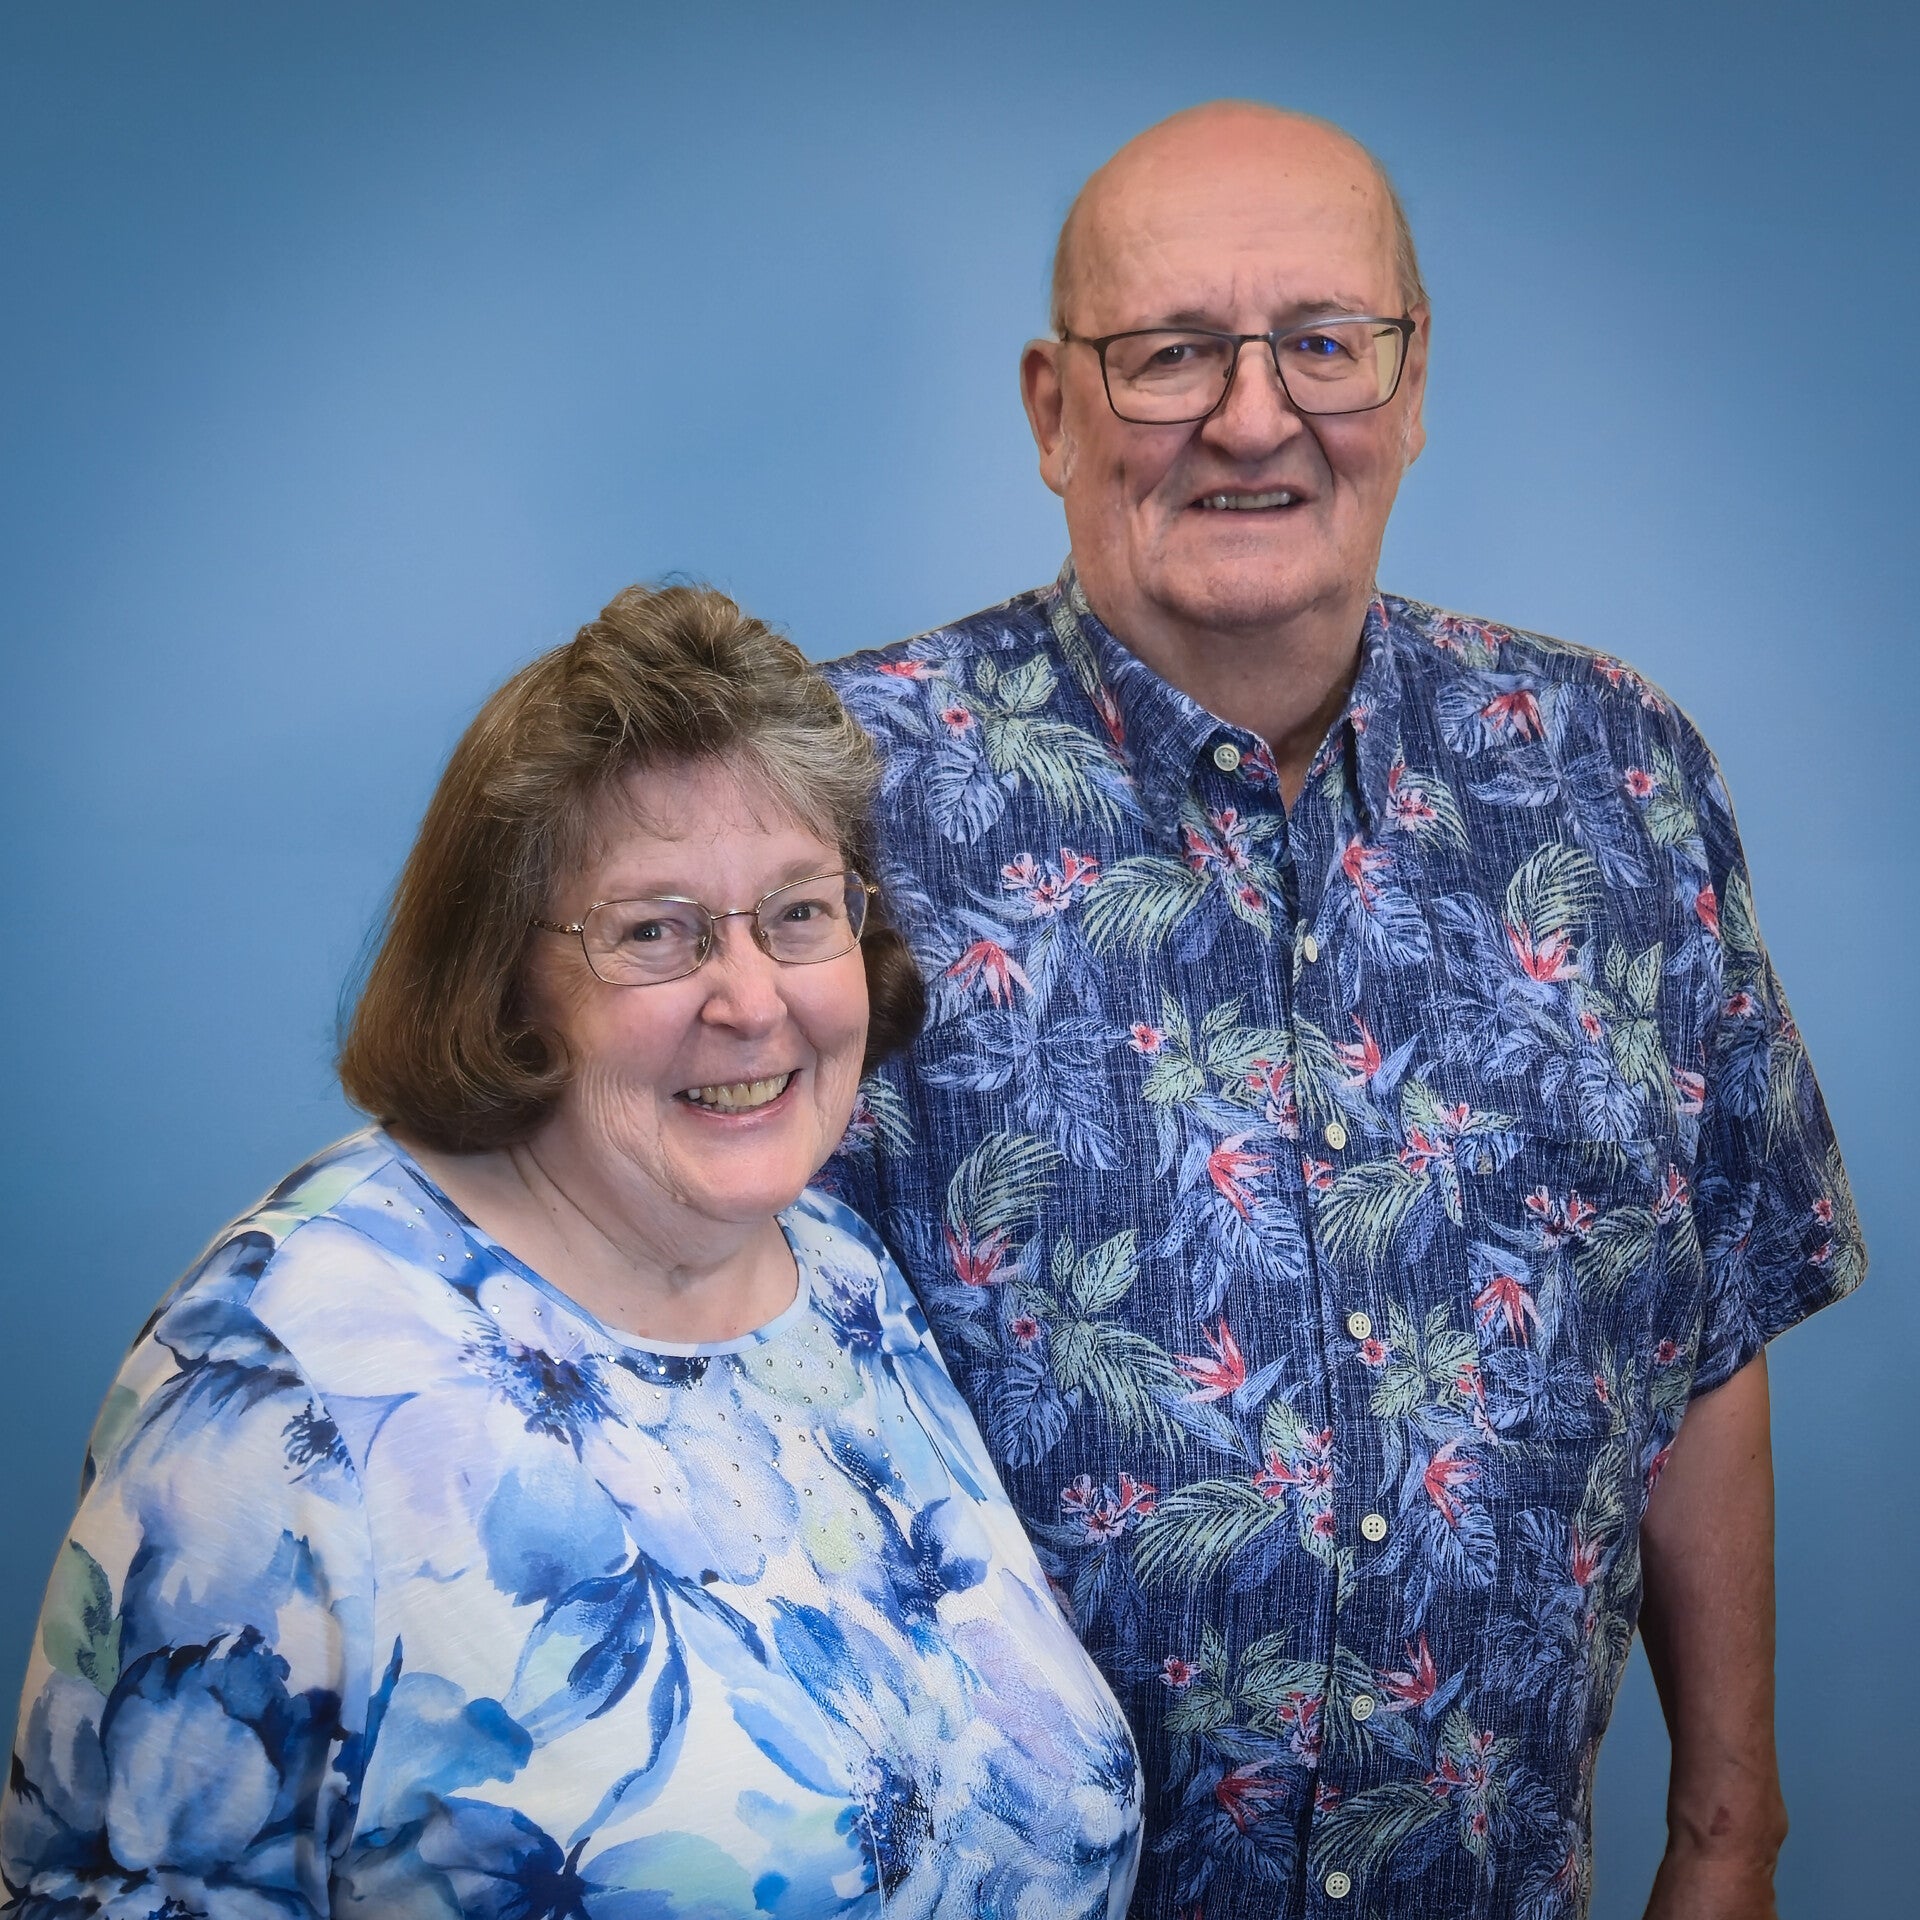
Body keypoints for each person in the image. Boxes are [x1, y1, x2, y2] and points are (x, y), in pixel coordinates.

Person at [822, 103, 1864, 1920]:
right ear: (1053, 412)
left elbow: (1705, 1325)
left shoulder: (1616, 772)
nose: (1253, 418)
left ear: (1413, 379)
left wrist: (1728, 1831)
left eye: (1322, 342)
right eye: (1169, 355)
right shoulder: (832, 806)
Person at [1, 585, 1143, 1915]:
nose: (751, 998)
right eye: (653, 931)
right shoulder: (285, 1368)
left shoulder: (838, 1276)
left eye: (798, 913)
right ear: (505, 978)